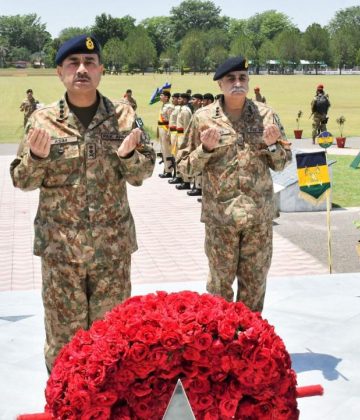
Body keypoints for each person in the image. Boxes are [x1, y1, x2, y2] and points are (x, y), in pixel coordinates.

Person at [9, 35, 156, 371]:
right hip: (61, 253)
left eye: (90, 63)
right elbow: (22, 180)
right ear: (59, 72)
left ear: (101, 70)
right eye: (73, 63)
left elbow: (143, 173)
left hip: (111, 251)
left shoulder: (123, 116)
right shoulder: (42, 120)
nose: (82, 69)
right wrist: (35, 157)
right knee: (64, 343)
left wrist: (130, 155)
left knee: (113, 339)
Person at [178, 56, 292, 312]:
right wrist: (205, 149)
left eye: (242, 78)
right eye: (231, 78)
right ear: (220, 84)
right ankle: (220, 345)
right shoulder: (202, 118)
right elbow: (184, 167)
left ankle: (251, 344)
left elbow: (283, 163)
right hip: (221, 220)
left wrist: (273, 145)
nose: (237, 83)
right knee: (219, 288)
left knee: (255, 285)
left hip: (258, 219)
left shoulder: (266, 116)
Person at [157, 89, 176, 178]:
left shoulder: (169, 107)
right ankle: (166, 168)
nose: (160, 97)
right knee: (163, 150)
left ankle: (169, 170)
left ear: (166, 97)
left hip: (166, 129)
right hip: (161, 129)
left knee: (167, 150)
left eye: (161, 95)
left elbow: (171, 121)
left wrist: (169, 132)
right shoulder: (163, 106)